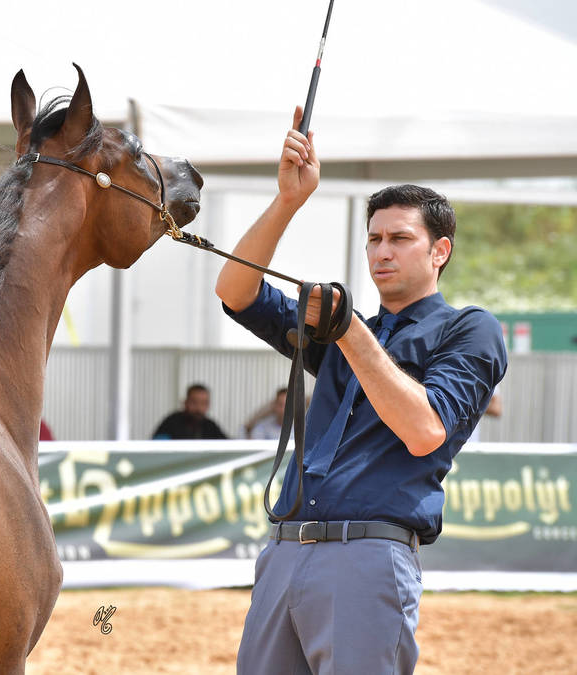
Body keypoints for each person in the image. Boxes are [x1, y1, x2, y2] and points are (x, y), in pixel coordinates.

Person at [215, 107, 506, 674]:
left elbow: (425, 430)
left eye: (400, 238)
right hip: (285, 549)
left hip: (370, 554)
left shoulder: (469, 328)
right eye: (373, 239)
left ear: (440, 251)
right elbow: (235, 289)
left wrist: (348, 331)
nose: (381, 252)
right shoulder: (347, 328)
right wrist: (288, 202)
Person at [152, 384, 227, 440]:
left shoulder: (211, 426)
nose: (199, 408)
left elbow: (228, 446)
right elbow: (158, 447)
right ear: (185, 402)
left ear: (208, 405)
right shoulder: (171, 422)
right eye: (194, 402)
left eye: (203, 403)